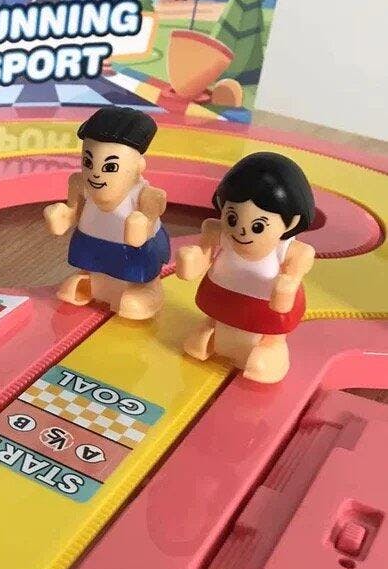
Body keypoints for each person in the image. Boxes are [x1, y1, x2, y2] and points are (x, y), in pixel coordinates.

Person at [176, 151, 315, 383]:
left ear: (291, 223)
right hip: (223, 297)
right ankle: (213, 330)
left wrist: (287, 285)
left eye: (258, 226)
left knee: (269, 332)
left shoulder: (288, 250)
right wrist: (192, 260)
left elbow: (295, 272)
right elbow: (202, 255)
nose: (241, 231)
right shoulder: (219, 232)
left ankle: (271, 346)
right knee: (207, 332)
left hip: (263, 307)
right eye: (232, 219)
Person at [44, 108, 169, 319]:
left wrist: (141, 225)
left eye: (110, 167)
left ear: (138, 166)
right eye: (88, 162)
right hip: (94, 245)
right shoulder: (80, 184)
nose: (95, 174)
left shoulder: (146, 196)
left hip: (132, 254)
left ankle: (147, 290)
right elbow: (74, 211)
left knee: (135, 275)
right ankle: (95, 285)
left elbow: (148, 220)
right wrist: (61, 216)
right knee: (94, 269)